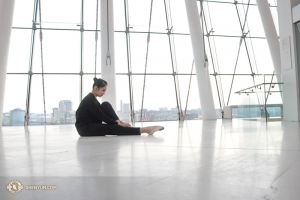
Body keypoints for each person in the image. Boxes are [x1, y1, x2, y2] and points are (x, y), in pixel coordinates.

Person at [75, 78, 164, 136]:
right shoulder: (89, 100)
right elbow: (102, 117)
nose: (103, 93)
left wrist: (117, 121)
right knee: (112, 128)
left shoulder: (92, 99)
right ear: (96, 88)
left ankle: (119, 122)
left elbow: (102, 113)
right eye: (103, 90)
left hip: (91, 124)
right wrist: (116, 123)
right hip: (85, 129)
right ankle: (146, 130)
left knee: (105, 104)